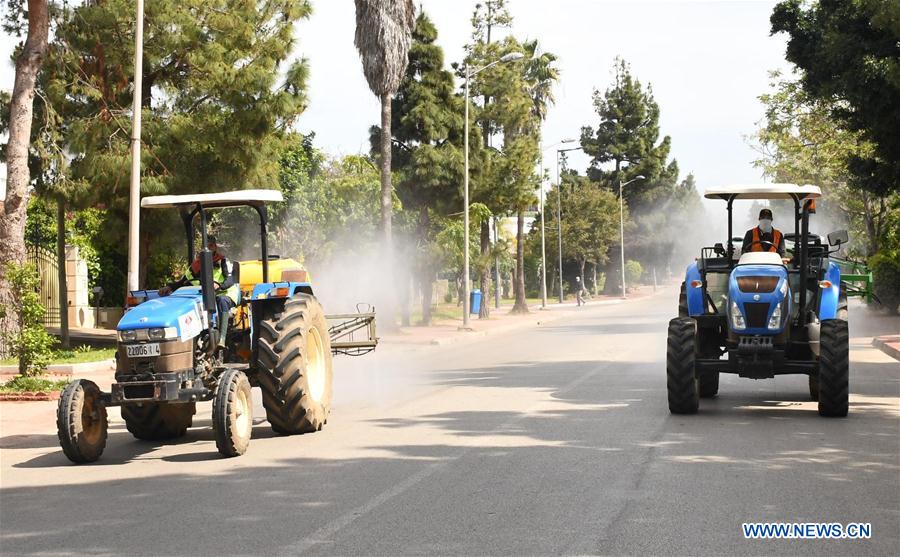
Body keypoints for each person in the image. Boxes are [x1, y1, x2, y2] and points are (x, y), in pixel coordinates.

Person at [159, 236, 239, 348]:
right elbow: (182, 282)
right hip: (202, 296)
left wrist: (219, 285)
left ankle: (222, 338)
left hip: (224, 293)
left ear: (215, 247)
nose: (208, 248)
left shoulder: (223, 261)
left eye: (211, 245)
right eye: (205, 246)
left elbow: (230, 280)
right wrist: (169, 287)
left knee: (222, 301)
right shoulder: (195, 265)